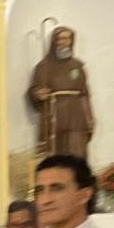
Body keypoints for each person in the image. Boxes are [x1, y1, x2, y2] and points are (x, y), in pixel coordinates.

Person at [28, 27, 95, 162]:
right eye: (60, 39)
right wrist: (38, 94)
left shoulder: (78, 66)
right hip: (55, 115)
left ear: (71, 41)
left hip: (76, 117)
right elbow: (34, 91)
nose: (64, 42)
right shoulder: (43, 66)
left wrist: (89, 119)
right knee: (57, 157)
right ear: (54, 42)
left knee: (77, 154)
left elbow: (85, 95)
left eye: (67, 38)